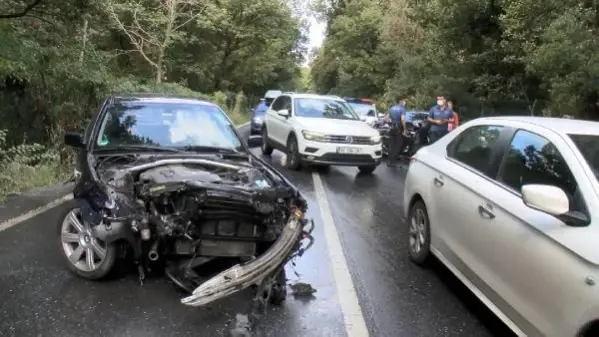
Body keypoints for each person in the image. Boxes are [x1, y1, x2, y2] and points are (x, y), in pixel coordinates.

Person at [386, 96, 407, 167]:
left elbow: (386, 118)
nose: (404, 102)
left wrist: (391, 122)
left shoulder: (392, 108)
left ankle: (389, 161)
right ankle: (392, 161)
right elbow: (403, 119)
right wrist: (404, 129)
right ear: (401, 101)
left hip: (392, 128)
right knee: (398, 145)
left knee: (391, 145)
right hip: (398, 128)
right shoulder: (402, 109)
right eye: (404, 101)